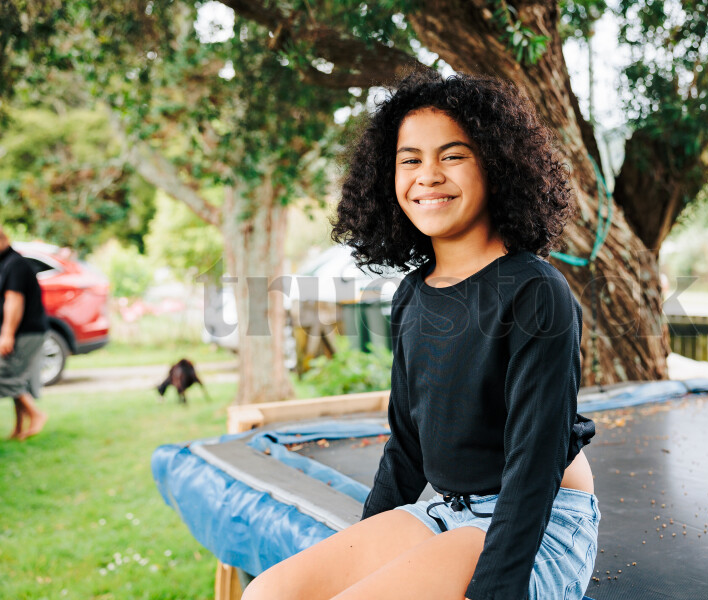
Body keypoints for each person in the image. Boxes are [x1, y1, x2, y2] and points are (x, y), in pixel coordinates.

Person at [243, 69, 599, 600]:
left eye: (452, 156)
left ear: (498, 169)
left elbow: (535, 460)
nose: (427, 175)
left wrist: (495, 590)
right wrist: (365, 547)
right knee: (266, 595)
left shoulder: (534, 291)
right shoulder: (412, 295)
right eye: (410, 160)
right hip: (447, 512)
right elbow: (407, 448)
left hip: (539, 520)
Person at [0, 226, 49, 441]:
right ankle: (19, 427)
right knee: (15, 377)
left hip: (25, 332)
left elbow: (14, 301)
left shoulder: (16, 264)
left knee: (6, 376)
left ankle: (36, 414)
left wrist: (7, 334)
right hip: (22, 332)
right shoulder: (6, 263)